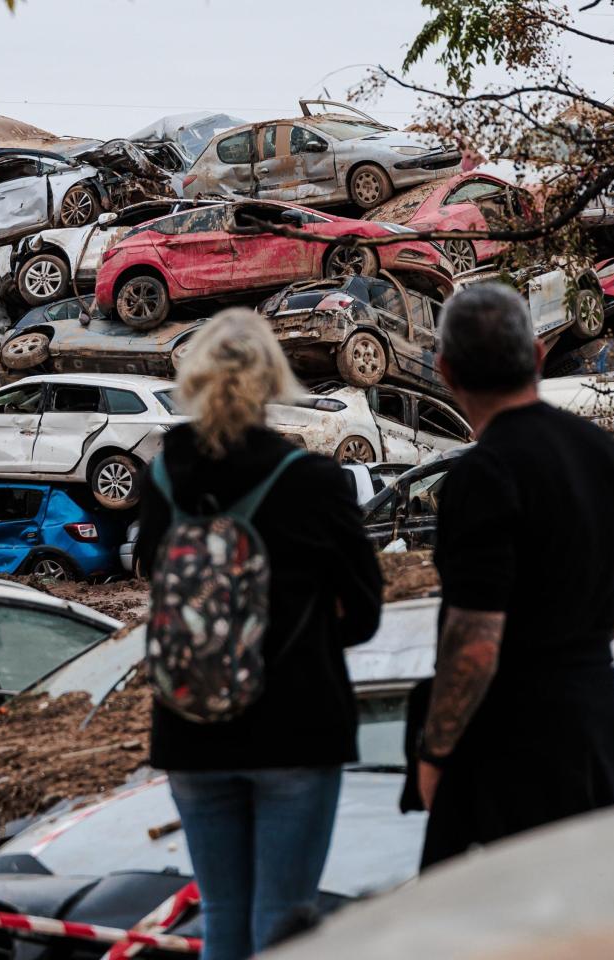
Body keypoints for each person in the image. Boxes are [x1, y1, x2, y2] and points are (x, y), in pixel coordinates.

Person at [136, 308, 384, 960]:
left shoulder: (162, 477)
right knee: (283, 923)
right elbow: (364, 615)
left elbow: (154, 581)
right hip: (295, 729)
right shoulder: (314, 482)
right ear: (274, 378)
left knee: (221, 917)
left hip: (189, 727)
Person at [416, 283, 614, 868]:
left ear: (445, 371)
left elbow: (475, 642)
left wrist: (435, 751)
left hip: (509, 742)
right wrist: (577, 639)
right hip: (594, 718)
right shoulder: (603, 450)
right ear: (540, 356)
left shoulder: (483, 473)